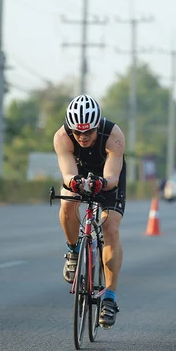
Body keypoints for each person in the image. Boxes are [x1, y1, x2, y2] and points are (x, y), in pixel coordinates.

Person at [53, 94, 126, 329]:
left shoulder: (113, 135)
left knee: (110, 227)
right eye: (78, 133)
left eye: (89, 132)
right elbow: (67, 172)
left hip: (108, 178)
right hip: (78, 173)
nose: (83, 138)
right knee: (67, 205)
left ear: (97, 126)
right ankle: (73, 251)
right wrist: (74, 181)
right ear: (71, 129)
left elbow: (113, 177)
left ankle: (109, 298)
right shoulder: (62, 137)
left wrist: (102, 184)